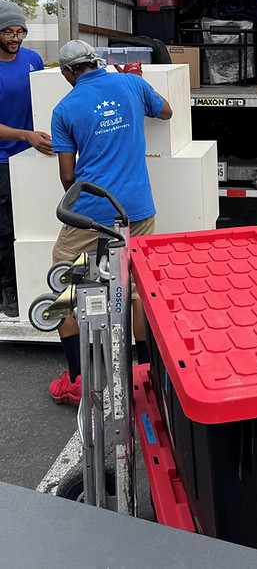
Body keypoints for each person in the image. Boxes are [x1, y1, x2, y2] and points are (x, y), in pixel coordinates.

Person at [49, 40, 172, 406]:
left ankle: (76, 380)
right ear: (96, 62)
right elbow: (165, 112)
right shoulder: (130, 83)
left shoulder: (65, 108)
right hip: (137, 207)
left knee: (63, 285)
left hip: (91, 212)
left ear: (70, 71)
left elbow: (69, 177)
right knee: (137, 289)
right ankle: (147, 377)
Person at [0, 1, 53, 317]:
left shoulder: (33, 60)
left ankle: (32, 281)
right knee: (6, 228)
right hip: (4, 160)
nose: (14, 37)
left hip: (34, 156)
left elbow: (46, 98)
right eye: (8, 31)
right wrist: (26, 136)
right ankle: (9, 289)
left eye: (19, 31)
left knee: (34, 224)